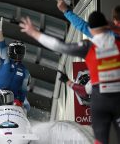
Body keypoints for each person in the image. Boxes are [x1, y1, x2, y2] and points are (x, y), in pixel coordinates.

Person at [19, 11, 120, 144]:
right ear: (107, 25)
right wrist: (113, 27)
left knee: (100, 141)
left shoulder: (88, 47)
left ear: (90, 29)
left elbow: (59, 46)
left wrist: (34, 33)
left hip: (99, 101)